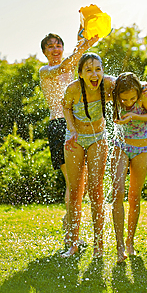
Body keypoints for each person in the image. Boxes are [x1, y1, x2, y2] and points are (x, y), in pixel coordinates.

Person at [61, 54, 147, 258]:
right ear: (80, 74)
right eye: (89, 70)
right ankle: (73, 243)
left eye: (98, 69)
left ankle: (98, 244)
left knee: (96, 189)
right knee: (76, 190)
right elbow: (65, 106)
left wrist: (146, 85)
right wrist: (71, 128)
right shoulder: (74, 89)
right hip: (74, 138)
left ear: (103, 71)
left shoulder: (109, 85)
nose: (94, 74)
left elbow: (130, 83)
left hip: (97, 138)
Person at [39, 31, 98, 243]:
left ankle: (69, 224)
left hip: (76, 125)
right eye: (50, 47)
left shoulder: (70, 68)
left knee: (82, 184)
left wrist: (84, 38)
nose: (55, 50)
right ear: (45, 52)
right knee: (74, 184)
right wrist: (82, 47)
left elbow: (76, 63)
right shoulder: (45, 71)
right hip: (59, 126)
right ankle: (71, 234)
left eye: (58, 46)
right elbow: (65, 66)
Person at [111, 72, 147, 263]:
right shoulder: (113, 95)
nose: (129, 102)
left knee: (134, 196)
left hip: (141, 148)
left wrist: (132, 116)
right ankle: (119, 245)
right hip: (121, 146)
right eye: (125, 99)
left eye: (132, 98)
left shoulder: (144, 93)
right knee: (118, 192)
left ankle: (130, 242)